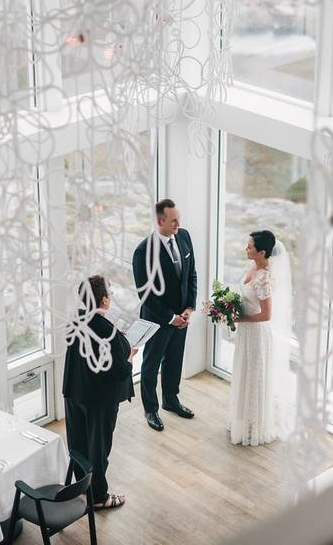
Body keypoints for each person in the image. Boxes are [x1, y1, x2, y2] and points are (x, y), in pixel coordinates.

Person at [62, 275, 137, 509]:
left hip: (74, 391)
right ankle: (99, 497)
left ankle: (81, 486)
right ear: (104, 300)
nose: (111, 298)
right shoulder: (107, 329)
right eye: (110, 295)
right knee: (99, 448)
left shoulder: (75, 319)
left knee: (77, 444)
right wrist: (130, 356)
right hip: (99, 400)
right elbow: (119, 370)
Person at [131, 198, 198, 432]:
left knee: (175, 359)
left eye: (178, 218)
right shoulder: (143, 252)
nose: (178, 223)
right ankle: (151, 409)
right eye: (173, 220)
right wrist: (171, 317)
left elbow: (191, 275)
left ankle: (171, 400)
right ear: (160, 221)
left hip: (183, 317)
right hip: (158, 320)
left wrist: (189, 309)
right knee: (151, 364)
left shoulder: (184, 236)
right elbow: (146, 295)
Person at [228, 230, 294, 446]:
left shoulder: (265, 277)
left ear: (262, 252)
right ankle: (242, 420)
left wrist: (242, 317)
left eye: (250, 246)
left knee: (253, 378)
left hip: (256, 334)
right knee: (244, 374)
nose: (246, 249)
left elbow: (266, 315)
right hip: (246, 332)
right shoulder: (253, 267)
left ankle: (254, 427)